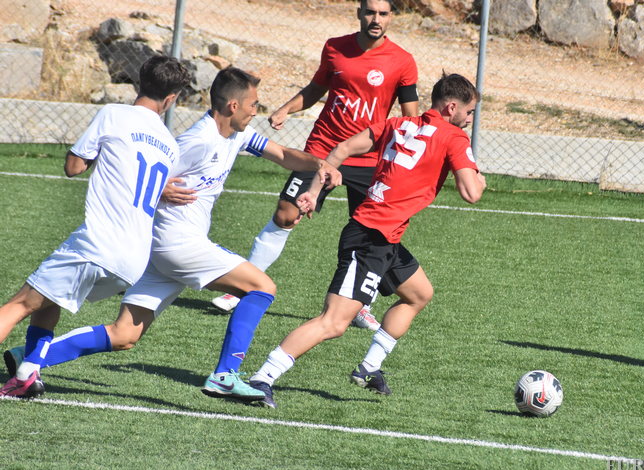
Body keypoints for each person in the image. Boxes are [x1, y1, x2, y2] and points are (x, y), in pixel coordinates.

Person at [1, 67, 338, 401]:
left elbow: (283, 155)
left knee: (124, 335)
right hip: (177, 243)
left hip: (159, 251)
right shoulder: (197, 141)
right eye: (253, 104)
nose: (256, 111)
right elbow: (144, 171)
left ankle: (29, 359)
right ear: (233, 105)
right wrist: (161, 189)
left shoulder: (240, 134)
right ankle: (225, 375)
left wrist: (319, 165)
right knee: (262, 286)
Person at [247, 73, 486, 408]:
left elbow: (342, 148)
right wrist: (478, 175)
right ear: (451, 108)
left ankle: (369, 368)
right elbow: (472, 193)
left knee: (418, 294)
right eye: (469, 112)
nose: (470, 119)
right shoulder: (454, 137)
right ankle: (263, 378)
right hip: (370, 238)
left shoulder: (396, 124)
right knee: (333, 322)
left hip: (385, 236)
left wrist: (314, 191)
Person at [211, 0, 419, 334]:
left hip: (368, 158)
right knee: (286, 214)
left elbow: (410, 117)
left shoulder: (402, 61)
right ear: (359, 13)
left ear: (392, 17)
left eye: (383, 13)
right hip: (323, 150)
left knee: (372, 233)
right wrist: (285, 109)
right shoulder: (335, 48)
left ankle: (361, 305)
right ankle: (243, 286)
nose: (376, 19)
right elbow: (314, 90)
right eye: (370, 12)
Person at [0, 55, 190, 397]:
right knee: (50, 301)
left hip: (99, 243)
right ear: (171, 98)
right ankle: (27, 373)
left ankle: (28, 372)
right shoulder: (170, 145)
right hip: (133, 259)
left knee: (20, 304)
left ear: (139, 82)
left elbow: (74, 167)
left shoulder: (113, 114)